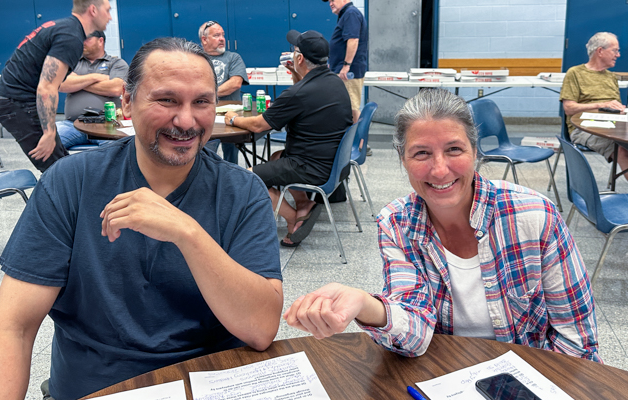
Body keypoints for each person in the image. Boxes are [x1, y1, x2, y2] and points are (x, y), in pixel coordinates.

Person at [0, 38, 284, 400]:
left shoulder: (242, 192)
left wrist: (187, 233)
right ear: (126, 101)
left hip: (207, 384)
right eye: (166, 100)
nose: (186, 121)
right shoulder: (71, 182)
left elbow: (260, 329)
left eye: (201, 102)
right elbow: (13, 327)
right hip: (96, 388)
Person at [284, 88, 601, 363]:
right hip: (444, 375)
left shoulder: (534, 216)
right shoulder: (396, 223)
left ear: (475, 152)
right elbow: (415, 334)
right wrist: (364, 305)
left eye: (454, 149)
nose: (439, 170)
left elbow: (578, 345)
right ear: (403, 160)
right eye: (421, 153)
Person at [223, 30, 352, 247]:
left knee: (249, 178)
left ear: (299, 58)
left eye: (294, 52)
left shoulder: (298, 93)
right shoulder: (335, 82)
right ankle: (304, 204)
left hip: (311, 167)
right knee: (275, 157)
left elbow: (257, 125)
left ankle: (292, 217)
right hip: (332, 162)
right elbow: (305, 95)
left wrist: (234, 119)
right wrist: (297, 74)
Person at [0, 0, 112, 172]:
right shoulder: (71, 37)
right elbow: (47, 88)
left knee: (61, 163)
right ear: (93, 10)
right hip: (16, 104)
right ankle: (55, 198)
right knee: (57, 169)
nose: (110, 17)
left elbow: (55, 83)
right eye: (107, 11)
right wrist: (48, 134)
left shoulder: (64, 28)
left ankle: (63, 195)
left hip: (12, 100)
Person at [561, 31, 628, 205]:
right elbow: (569, 108)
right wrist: (600, 105)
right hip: (583, 128)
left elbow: (615, 108)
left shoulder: (610, 77)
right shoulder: (575, 73)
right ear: (600, 51)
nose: (618, 55)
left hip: (612, 125)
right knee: (623, 150)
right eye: (615, 50)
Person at [57, 30, 128, 149]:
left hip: (107, 126)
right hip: (72, 125)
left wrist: (78, 82)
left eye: (87, 39)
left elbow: (116, 88)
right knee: (49, 142)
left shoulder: (116, 63)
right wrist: (96, 77)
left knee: (116, 150)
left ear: (100, 41)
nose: (82, 42)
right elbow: (61, 84)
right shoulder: (72, 62)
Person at [199, 20, 249, 165]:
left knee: (231, 158)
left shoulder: (233, 58)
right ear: (204, 39)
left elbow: (235, 83)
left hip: (230, 116)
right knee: (205, 155)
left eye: (222, 35)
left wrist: (206, 95)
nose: (222, 39)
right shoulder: (196, 58)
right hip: (204, 115)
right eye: (216, 35)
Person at [325, 0, 368, 124]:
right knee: (346, 107)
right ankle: (352, 140)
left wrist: (346, 66)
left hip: (349, 73)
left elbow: (353, 40)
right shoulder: (346, 14)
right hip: (343, 70)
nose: (330, 3)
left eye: (333, 0)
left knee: (352, 108)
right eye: (329, 1)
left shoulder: (351, 14)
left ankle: (358, 142)